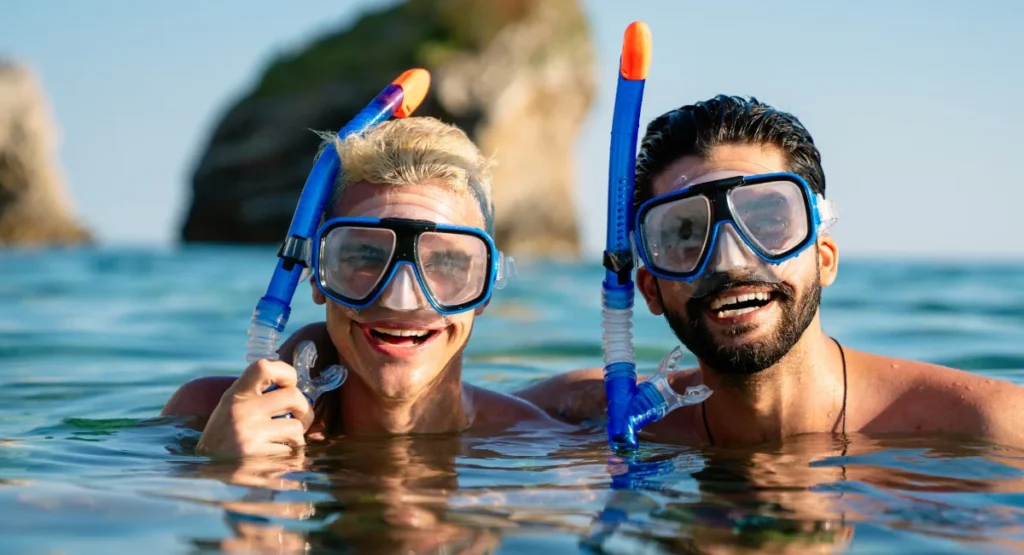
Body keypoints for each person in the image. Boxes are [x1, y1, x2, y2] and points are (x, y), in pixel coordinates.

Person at [514, 94, 1024, 448]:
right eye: (685, 235)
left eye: (767, 220)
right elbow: (451, 410)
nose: (731, 260)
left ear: (824, 258)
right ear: (650, 288)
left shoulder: (987, 428)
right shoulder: (600, 415)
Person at [162, 116, 565, 456]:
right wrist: (218, 470)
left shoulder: (540, 443)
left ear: (485, 285)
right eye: (366, 257)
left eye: (444, 261)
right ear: (318, 273)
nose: (402, 299)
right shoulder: (207, 416)